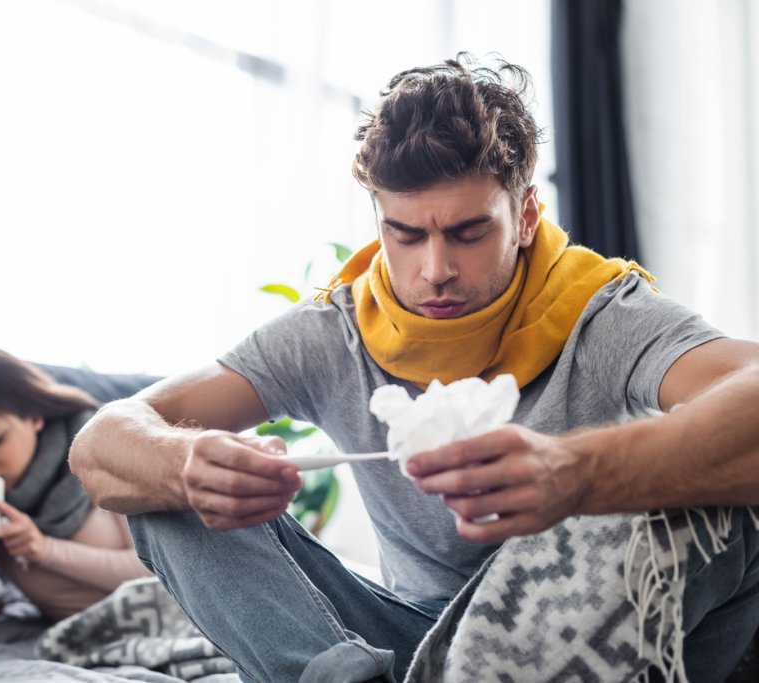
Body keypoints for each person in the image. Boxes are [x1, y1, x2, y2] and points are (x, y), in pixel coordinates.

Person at [69, 55, 759, 683]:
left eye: (467, 232)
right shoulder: (332, 332)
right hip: (404, 641)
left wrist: (577, 473)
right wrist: (188, 461)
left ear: (524, 217)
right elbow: (101, 444)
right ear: (380, 225)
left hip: (574, 634)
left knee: (722, 504)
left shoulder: (603, 315)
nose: (435, 270)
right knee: (159, 486)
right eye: (405, 235)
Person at [0, 347, 152, 623]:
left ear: (34, 416)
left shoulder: (101, 453)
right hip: (82, 642)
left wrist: (44, 550)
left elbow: (159, 574)